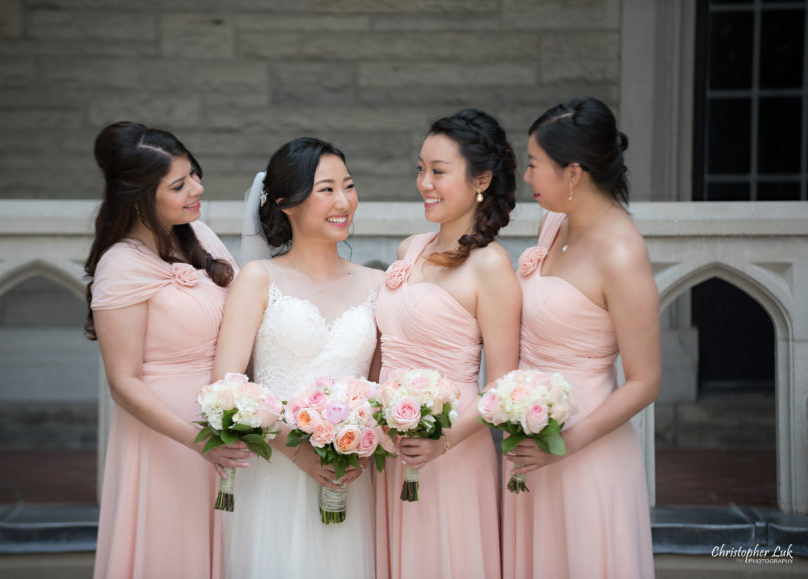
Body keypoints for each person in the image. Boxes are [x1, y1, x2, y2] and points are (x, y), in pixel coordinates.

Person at [212, 137, 385, 579]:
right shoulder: (259, 279)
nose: (344, 201)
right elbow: (227, 389)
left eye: (348, 185)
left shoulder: (378, 285)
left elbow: (383, 387)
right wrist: (299, 453)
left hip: (348, 474)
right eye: (326, 189)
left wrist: (362, 443)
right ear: (286, 202)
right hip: (275, 474)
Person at [503, 96, 659, 578]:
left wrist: (566, 442)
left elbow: (645, 380)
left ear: (573, 173)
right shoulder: (553, 223)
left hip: (586, 446)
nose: (527, 177)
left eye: (534, 165)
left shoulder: (621, 253)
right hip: (530, 440)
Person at [85, 121, 249, 579]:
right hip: (167, 437)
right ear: (138, 196)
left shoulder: (198, 235)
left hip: (224, 423)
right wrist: (199, 442)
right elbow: (123, 382)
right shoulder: (120, 266)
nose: (197, 188)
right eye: (179, 185)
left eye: (193, 173)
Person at [374, 109, 521, 579]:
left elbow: (502, 387)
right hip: (387, 443)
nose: (424, 183)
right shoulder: (408, 250)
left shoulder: (490, 265)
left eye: (438, 171)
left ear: (481, 179)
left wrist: (440, 442)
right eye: (420, 169)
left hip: (451, 448)